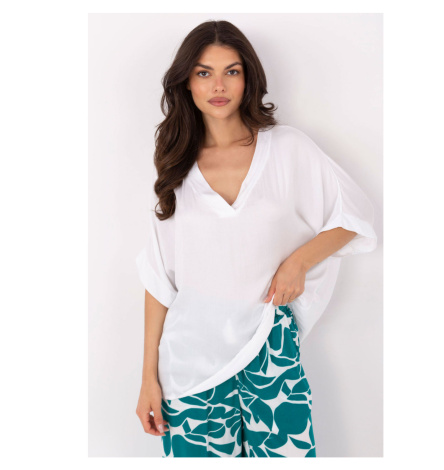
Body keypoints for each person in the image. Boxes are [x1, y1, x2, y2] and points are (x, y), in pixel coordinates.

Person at [135, 20, 377, 458]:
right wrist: (148, 378)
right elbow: (158, 279)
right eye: (204, 73)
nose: (218, 85)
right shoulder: (175, 166)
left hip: (271, 344)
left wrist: (299, 262)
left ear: (248, 78)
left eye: (232, 71)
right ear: (186, 82)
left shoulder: (287, 148)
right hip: (189, 360)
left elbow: (354, 216)